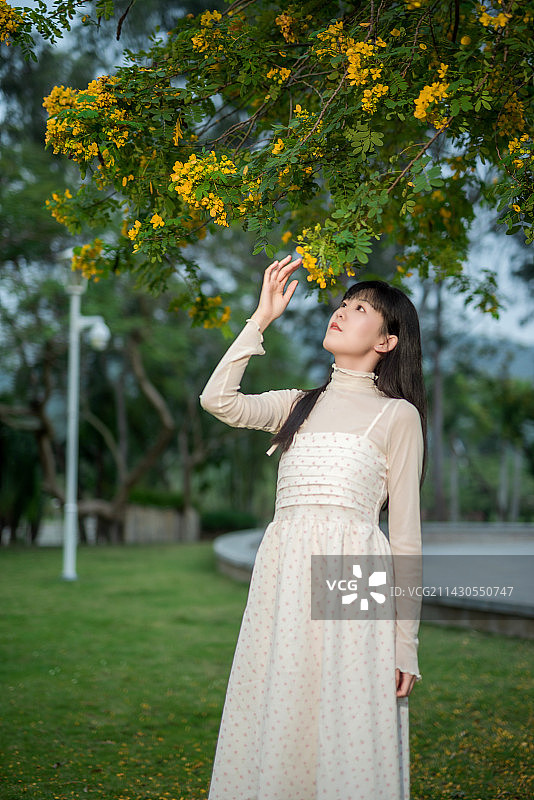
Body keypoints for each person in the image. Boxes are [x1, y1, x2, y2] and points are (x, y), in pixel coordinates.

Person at [199, 254, 427, 800]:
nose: (342, 312)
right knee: (283, 706)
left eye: (361, 308)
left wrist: (405, 644)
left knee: (346, 715)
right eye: (343, 303)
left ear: (388, 341)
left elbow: (406, 537)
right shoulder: (298, 405)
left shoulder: (398, 416)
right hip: (283, 578)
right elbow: (217, 401)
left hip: (354, 576)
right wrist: (260, 319)